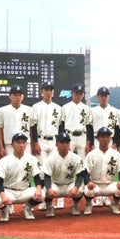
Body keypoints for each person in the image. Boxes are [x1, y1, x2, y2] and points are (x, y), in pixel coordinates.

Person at [0, 132, 45, 222]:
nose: (21, 145)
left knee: (42, 194)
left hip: (25, 191)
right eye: (18, 142)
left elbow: (37, 177)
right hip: (9, 192)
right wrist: (3, 196)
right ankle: (5, 210)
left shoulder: (32, 159)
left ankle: (27, 208)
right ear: (12, 145)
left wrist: (39, 189)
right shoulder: (4, 161)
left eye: (23, 143)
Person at [31, 81, 63, 210]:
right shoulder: (36, 106)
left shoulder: (58, 108)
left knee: (55, 169)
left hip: (55, 141)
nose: (48, 92)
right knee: (43, 171)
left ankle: (55, 198)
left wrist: (60, 143)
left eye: (50, 90)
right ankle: (45, 199)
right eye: (46, 89)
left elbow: (61, 127)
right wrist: (35, 142)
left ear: (53, 92)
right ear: (42, 92)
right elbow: (33, 126)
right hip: (41, 140)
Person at [82, 127, 120, 215]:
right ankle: (88, 204)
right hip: (95, 184)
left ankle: (114, 204)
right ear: (97, 138)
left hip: (109, 184)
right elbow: (85, 170)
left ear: (110, 138)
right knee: (87, 190)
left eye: (107, 137)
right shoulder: (91, 154)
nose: (105, 139)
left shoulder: (115, 154)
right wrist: (88, 182)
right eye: (103, 137)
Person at [90, 86, 120, 207]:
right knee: (96, 167)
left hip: (110, 140)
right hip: (96, 139)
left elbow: (117, 128)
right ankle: (98, 197)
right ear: (98, 97)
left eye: (106, 95)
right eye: (101, 95)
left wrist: (116, 143)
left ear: (108, 97)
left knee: (109, 166)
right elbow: (89, 128)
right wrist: (91, 143)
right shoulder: (92, 111)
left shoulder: (115, 111)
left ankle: (107, 196)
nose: (104, 97)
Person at [41, 132, 87, 216]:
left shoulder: (76, 157)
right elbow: (47, 176)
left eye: (67, 142)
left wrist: (75, 188)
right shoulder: (51, 158)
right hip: (55, 185)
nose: (65, 145)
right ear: (56, 144)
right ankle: (50, 205)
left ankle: (74, 205)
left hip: (69, 185)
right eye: (62, 142)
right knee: (45, 191)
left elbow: (80, 175)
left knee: (80, 190)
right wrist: (49, 188)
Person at [0, 84, 33, 159]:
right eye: (15, 95)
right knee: (11, 165)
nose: (18, 97)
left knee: (26, 164)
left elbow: (31, 129)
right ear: (10, 96)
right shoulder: (2, 110)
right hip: (9, 144)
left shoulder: (29, 110)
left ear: (23, 96)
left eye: (20, 95)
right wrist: (1, 147)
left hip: (26, 144)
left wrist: (33, 145)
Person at [60, 83, 94, 160]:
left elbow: (89, 126)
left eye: (80, 93)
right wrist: (63, 140)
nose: (78, 96)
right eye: (76, 93)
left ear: (83, 94)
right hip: (69, 136)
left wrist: (88, 142)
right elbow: (62, 125)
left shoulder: (86, 108)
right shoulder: (65, 107)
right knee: (67, 160)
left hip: (82, 136)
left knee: (84, 162)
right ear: (72, 93)